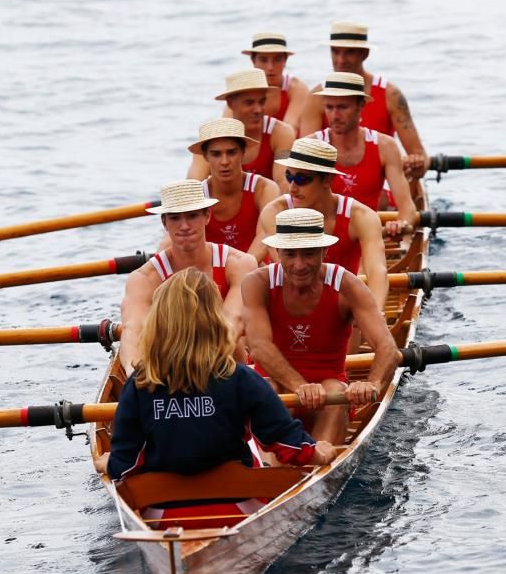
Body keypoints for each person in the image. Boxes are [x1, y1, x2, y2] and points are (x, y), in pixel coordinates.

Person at [95, 268, 336, 528]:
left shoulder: (139, 385)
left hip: (163, 515)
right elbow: (283, 439)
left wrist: (111, 464)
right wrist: (315, 452)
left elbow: (126, 463)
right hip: (237, 509)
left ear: (157, 324)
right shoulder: (240, 378)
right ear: (215, 320)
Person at [242, 209, 399, 446]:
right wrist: (300, 386)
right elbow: (258, 347)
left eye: (309, 254)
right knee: (265, 388)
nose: (299, 265)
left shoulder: (346, 284)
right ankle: (276, 464)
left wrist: (373, 383)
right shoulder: (257, 283)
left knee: (335, 388)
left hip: (329, 396)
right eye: (290, 254)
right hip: (278, 392)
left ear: (324, 251)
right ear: (277, 253)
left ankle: (317, 459)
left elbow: (388, 346)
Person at [119, 179, 257, 375]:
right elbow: (133, 331)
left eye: (192, 216)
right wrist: (134, 373)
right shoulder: (144, 279)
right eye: (175, 218)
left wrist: (200, 372)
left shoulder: (240, 264)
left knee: (238, 341)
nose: (184, 226)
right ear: (164, 223)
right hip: (173, 369)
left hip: (226, 366)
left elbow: (232, 322)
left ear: (207, 216)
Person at [251, 137, 389, 309]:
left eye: (302, 179)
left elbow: (377, 272)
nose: (292, 188)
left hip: (339, 306)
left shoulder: (361, 217)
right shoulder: (274, 212)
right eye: (289, 176)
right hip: (288, 302)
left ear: (327, 179)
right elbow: (293, 273)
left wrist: (376, 316)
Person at [299, 21, 429, 181]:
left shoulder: (390, 95)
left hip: (383, 185)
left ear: (364, 54)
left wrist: (417, 164)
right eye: (335, 52)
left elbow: (420, 155)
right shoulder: (316, 97)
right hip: (332, 186)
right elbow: (306, 159)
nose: (341, 60)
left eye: (349, 52)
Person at [309, 71, 419, 234]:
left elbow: (407, 207)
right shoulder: (311, 146)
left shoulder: (385, 146)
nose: (335, 115)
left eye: (342, 107)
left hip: (368, 237)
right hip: (322, 239)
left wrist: (401, 224)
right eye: (329, 107)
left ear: (361, 106)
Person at [188, 68, 295, 193]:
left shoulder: (282, 133)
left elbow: (282, 180)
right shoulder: (211, 139)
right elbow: (193, 188)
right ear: (230, 103)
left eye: (262, 102)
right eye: (249, 103)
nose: (258, 110)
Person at [186, 117, 280, 255]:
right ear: (205, 157)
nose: (224, 161)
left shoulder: (265, 189)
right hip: (212, 268)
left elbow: (265, 235)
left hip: (256, 265)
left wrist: (242, 267)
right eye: (216, 154)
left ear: (243, 152)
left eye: (231, 152)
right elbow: (171, 241)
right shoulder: (195, 196)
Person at [227, 33, 309, 133]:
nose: (270, 67)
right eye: (263, 60)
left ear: (285, 60)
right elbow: (226, 129)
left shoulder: (297, 88)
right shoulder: (241, 90)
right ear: (253, 61)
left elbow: (291, 130)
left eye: (277, 59)